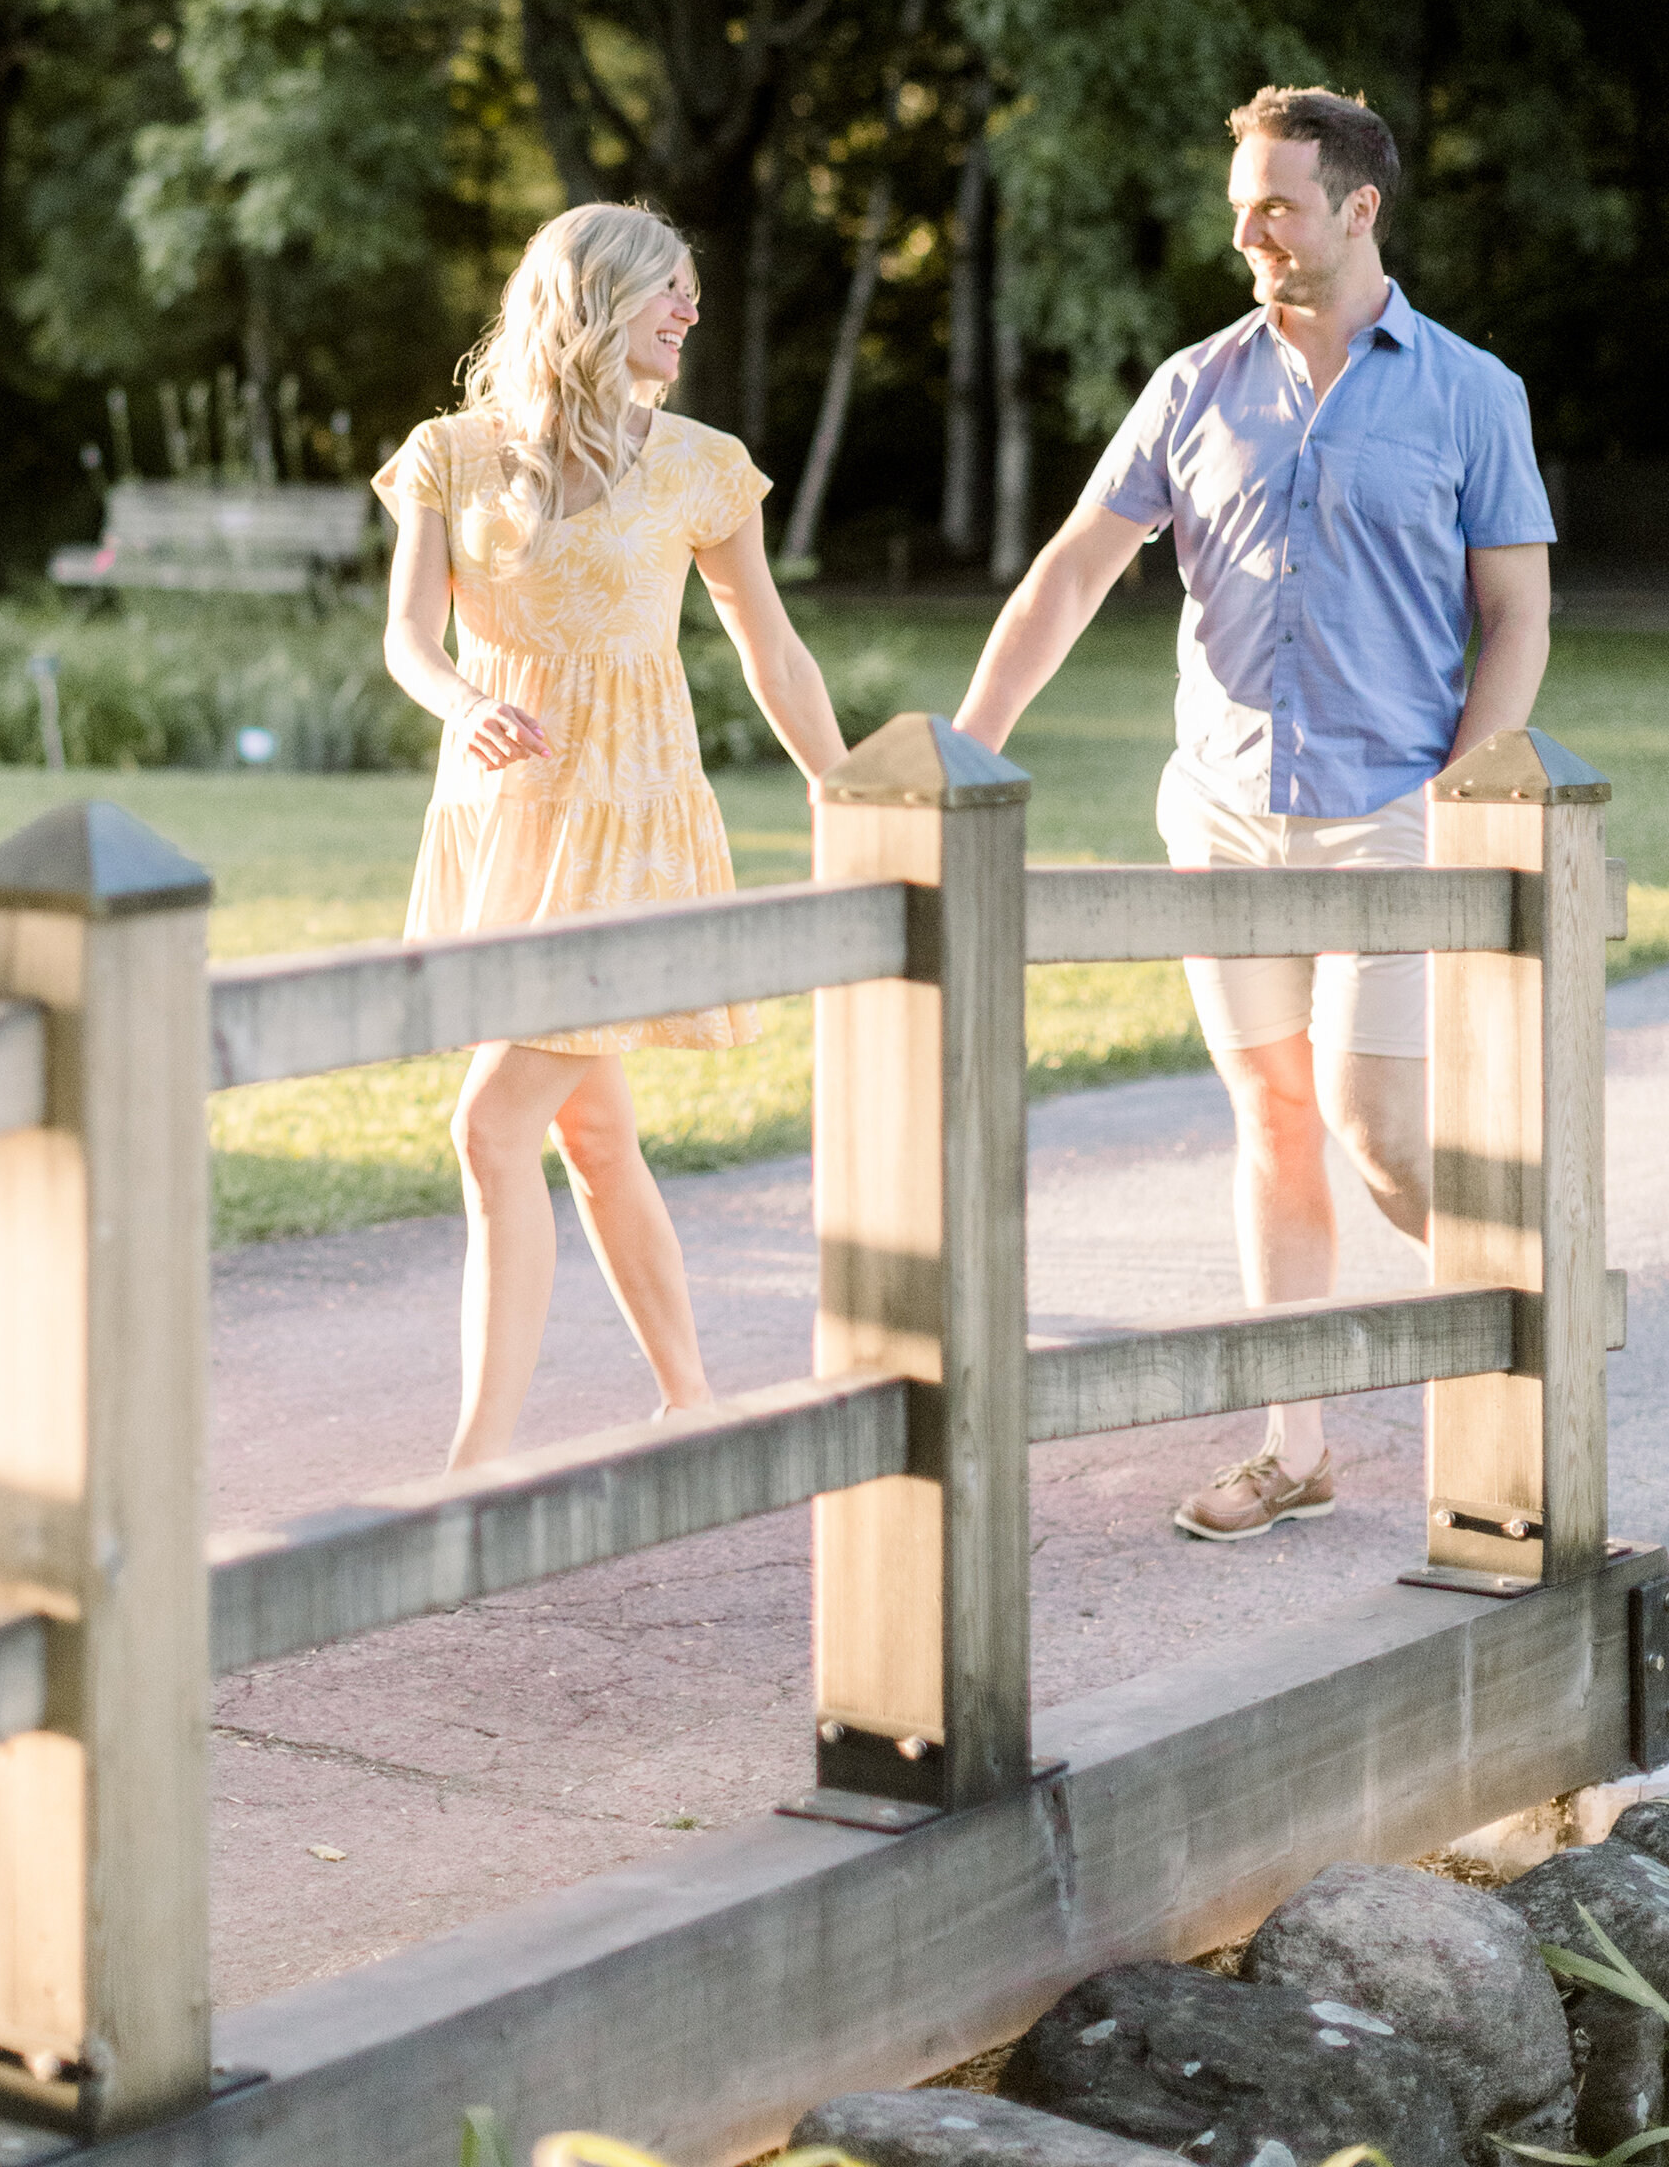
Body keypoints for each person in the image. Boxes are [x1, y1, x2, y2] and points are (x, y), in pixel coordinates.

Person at [951, 86, 1553, 1543]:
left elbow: (1516, 613)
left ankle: (1536, 1317)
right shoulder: (1192, 387)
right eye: (1242, 208)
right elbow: (1072, 576)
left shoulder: (1472, 392)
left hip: (1390, 816)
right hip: (1222, 812)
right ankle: (1298, 1447)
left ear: (1359, 207)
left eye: (1277, 205)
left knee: (1381, 1133)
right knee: (1277, 1117)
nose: (1251, 233)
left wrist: (1473, 786)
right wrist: (964, 750)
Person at [374, 201, 853, 1471]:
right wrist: (467, 702)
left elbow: (773, 649)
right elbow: (408, 641)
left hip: (634, 821)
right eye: (672, 292)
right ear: (592, 302)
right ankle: (691, 1404)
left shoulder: (704, 464)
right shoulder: (451, 454)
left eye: (695, 292)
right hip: (503, 816)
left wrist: (848, 787)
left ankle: (474, 1462)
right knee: (591, 1134)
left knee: (491, 1127)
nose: (694, 311)